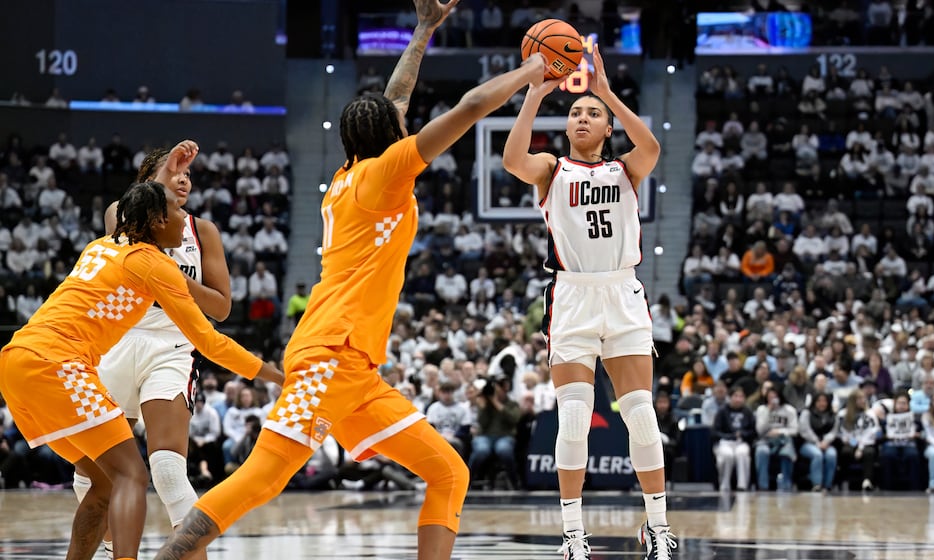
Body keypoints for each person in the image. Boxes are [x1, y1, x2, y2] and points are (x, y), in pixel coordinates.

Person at [154, 1, 547, 557]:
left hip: (357, 367)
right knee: (264, 476)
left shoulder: (351, 172)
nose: (406, 121)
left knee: (448, 473)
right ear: (392, 137)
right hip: (329, 352)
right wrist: (534, 70)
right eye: (400, 126)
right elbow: (470, 106)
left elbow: (396, 98)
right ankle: (173, 553)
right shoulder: (387, 172)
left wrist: (423, 30)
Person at [0, 179, 282, 560]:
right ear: (154, 220)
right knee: (132, 475)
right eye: (176, 213)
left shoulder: (100, 246)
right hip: (59, 364)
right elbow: (212, 343)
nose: (185, 221)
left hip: (17, 360)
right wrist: (275, 375)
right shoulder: (154, 264)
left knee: (101, 483)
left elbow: (128, 210)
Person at [501, 43, 676, 559]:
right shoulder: (551, 170)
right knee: (574, 417)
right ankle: (573, 533)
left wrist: (607, 94)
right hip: (573, 296)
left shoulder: (626, 169)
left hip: (621, 293)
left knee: (641, 414)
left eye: (591, 114)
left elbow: (653, 149)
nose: (582, 117)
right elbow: (512, 159)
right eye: (576, 112)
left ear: (605, 129)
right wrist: (534, 95)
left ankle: (657, 529)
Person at [72, 140, 233, 560]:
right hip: (116, 341)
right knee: (90, 474)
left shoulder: (203, 232)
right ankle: (111, 551)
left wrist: (171, 281)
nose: (184, 178)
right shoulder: (118, 216)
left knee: (166, 469)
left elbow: (221, 306)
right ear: (148, 180)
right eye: (174, 171)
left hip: (171, 346)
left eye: (188, 173)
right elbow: (125, 220)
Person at [754, 386, 798, 491]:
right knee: (761, 452)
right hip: (765, 440)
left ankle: (786, 484)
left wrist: (779, 431)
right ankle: (763, 485)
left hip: (784, 439)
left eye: (775, 396)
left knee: (786, 453)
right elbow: (759, 430)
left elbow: (795, 430)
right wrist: (768, 411)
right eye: (770, 397)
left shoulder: (789, 410)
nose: (773, 399)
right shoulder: (761, 409)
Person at [712, 385, 755, 492]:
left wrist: (742, 434)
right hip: (725, 442)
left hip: (741, 442)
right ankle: (724, 484)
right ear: (730, 397)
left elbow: (753, 431)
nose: (738, 399)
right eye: (736, 396)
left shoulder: (747, 412)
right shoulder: (722, 411)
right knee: (727, 455)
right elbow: (715, 432)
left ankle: (742, 485)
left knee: (742, 454)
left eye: (741, 396)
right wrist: (730, 436)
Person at [798, 392, 837, 492]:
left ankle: (828, 485)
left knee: (832, 455)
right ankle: (817, 484)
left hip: (826, 444)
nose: (822, 403)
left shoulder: (833, 415)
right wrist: (816, 442)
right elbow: (804, 430)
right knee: (817, 454)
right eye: (819, 401)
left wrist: (826, 441)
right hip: (808, 443)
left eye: (824, 401)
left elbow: (834, 431)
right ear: (814, 402)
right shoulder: (806, 413)